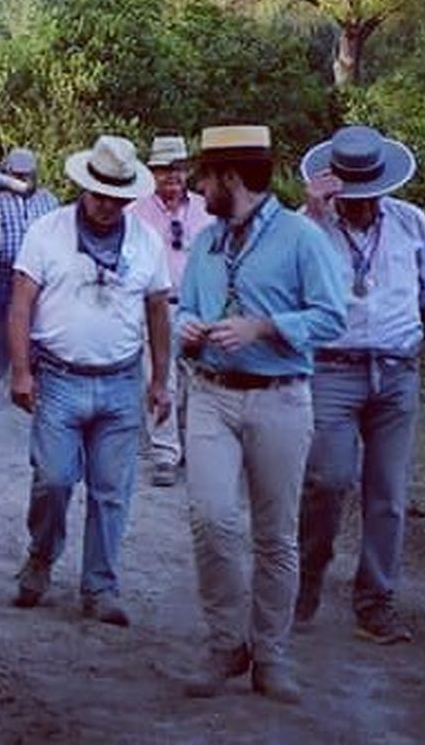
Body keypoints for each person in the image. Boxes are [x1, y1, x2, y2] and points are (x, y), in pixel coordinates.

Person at [176, 125, 346, 704]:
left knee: (275, 534)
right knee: (211, 518)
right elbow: (183, 312)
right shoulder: (205, 242)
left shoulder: (302, 239)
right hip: (210, 393)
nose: (197, 188)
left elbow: (332, 316)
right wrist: (189, 331)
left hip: (280, 395)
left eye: (205, 176)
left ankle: (270, 655)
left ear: (230, 178)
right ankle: (226, 643)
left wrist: (266, 326)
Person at [294, 125, 425, 644]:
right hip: (332, 369)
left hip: (396, 370)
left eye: (372, 194)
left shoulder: (411, 221)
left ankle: (375, 601)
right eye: (355, 195)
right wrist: (311, 215)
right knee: (327, 480)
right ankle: (307, 575)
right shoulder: (310, 226)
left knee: (387, 492)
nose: (364, 203)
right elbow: (277, 273)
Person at [9, 136, 171, 626]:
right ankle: (41, 556)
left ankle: (100, 585)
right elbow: (20, 304)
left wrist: (160, 378)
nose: (106, 206)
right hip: (58, 376)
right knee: (54, 479)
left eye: (117, 198)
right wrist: (20, 370)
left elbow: (158, 309)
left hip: (121, 379)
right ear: (83, 187)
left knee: (112, 489)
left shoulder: (146, 241)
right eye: (99, 195)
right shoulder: (47, 232)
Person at [131, 135, 215, 487]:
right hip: (156, 305)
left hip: (199, 306)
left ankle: (194, 449)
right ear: (152, 172)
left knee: (199, 381)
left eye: (178, 169)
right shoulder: (135, 210)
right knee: (159, 376)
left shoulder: (206, 208)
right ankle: (165, 453)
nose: (172, 177)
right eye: (165, 170)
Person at [0, 148, 58, 399]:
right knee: (1, 329)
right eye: (16, 175)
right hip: (6, 272)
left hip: (43, 275)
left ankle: (36, 382)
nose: (21, 180)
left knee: (41, 328)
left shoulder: (48, 200)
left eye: (26, 175)